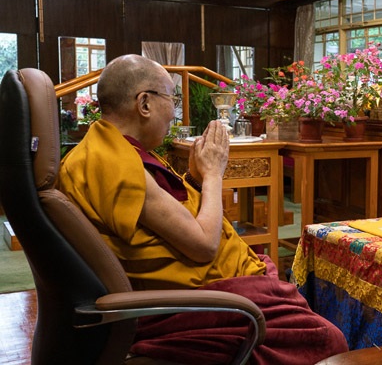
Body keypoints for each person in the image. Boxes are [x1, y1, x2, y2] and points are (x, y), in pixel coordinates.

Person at [57, 54, 348, 365]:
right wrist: (212, 175)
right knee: (329, 338)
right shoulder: (113, 162)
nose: (174, 113)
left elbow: (164, 213)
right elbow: (204, 246)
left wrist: (194, 179)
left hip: (201, 283)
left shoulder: (109, 149)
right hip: (189, 302)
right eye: (172, 99)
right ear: (144, 104)